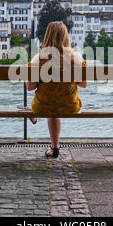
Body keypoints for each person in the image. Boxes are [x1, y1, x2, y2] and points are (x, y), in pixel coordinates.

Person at [25, 21, 87, 158]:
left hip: (43, 106)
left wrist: (26, 73)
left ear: (47, 36)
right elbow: (83, 84)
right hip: (71, 106)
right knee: (55, 105)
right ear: (66, 37)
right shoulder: (76, 57)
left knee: (49, 105)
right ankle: (54, 148)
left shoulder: (38, 58)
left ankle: (54, 147)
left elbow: (30, 87)